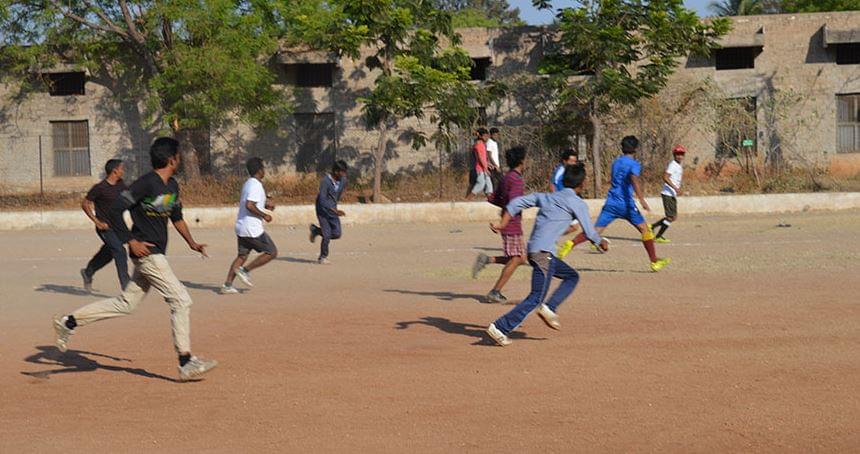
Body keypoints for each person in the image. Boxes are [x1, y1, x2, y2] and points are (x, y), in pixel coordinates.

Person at [52, 137, 218, 382]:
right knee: (181, 300)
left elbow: (177, 217)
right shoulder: (145, 184)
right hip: (148, 254)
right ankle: (185, 362)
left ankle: (68, 322)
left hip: (154, 254)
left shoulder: (172, 185)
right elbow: (116, 210)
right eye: (179, 156)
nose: (180, 160)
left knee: (125, 304)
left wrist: (191, 243)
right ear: (172, 159)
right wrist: (131, 240)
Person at [486, 163, 608, 347]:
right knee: (535, 297)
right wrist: (601, 242)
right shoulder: (577, 203)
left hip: (536, 252)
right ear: (582, 184)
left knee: (571, 276)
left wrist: (503, 223)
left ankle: (549, 308)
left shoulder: (547, 197)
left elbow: (516, 203)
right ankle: (500, 327)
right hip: (544, 255)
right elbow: (590, 232)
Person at [566, 136, 671, 272]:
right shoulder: (634, 164)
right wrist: (641, 199)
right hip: (626, 204)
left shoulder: (616, 162)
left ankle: (570, 244)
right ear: (636, 149)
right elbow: (634, 179)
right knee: (645, 230)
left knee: (594, 231)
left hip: (611, 203)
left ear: (622, 148)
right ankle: (654, 261)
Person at [472, 146, 528, 304]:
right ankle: (495, 291)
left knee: (519, 258)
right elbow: (514, 203)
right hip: (511, 224)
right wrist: (503, 223)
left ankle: (487, 260)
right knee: (518, 258)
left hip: (508, 222)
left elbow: (494, 198)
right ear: (521, 161)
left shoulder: (507, 177)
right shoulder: (516, 179)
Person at [220, 157, 278, 294]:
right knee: (272, 252)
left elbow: (252, 202)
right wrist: (264, 215)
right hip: (252, 229)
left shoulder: (248, 183)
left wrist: (265, 205)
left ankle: (227, 285)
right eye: (263, 168)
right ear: (260, 170)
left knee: (242, 256)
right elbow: (249, 205)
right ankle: (245, 270)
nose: (264, 171)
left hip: (241, 226)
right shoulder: (256, 185)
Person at [80, 159, 130, 292]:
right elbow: (85, 204)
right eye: (121, 169)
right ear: (114, 171)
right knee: (120, 251)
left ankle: (88, 272)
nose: (123, 171)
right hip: (105, 228)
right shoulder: (100, 188)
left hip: (118, 226)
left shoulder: (121, 185)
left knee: (109, 252)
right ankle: (127, 287)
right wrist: (97, 222)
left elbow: (129, 198)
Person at [309, 160, 348, 264]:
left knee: (337, 233)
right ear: (336, 172)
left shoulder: (343, 180)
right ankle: (322, 257)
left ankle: (316, 231)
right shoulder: (325, 181)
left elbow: (340, 192)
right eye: (342, 172)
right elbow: (322, 199)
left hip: (333, 209)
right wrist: (333, 209)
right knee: (326, 235)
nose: (344, 174)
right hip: (323, 209)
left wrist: (335, 203)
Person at [651, 145, 686, 243]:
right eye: (677, 154)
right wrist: (675, 188)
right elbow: (665, 177)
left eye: (681, 154)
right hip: (668, 194)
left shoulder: (678, 166)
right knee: (671, 217)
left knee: (672, 217)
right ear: (674, 155)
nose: (679, 156)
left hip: (671, 194)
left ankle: (653, 227)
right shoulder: (673, 165)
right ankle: (658, 235)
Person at [552, 149, 581, 257]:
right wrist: (556, 198)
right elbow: (552, 185)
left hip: (569, 201)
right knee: (574, 226)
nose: (574, 163)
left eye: (575, 161)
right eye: (571, 161)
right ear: (564, 161)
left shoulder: (570, 171)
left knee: (574, 226)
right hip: (562, 202)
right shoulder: (560, 171)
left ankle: (552, 236)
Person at [467, 128, 492, 198]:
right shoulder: (478, 145)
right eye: (485, 136)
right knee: (481, 184)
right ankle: (468, 199)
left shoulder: (483, 144)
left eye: (487, 136)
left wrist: (488, 164)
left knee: (489, 187)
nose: (487, 138)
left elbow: (483, 158)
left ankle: (491, 202)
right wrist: (485, 168)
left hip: (484, 168)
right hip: (480, 169)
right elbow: (480, 158)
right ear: (480, 136)